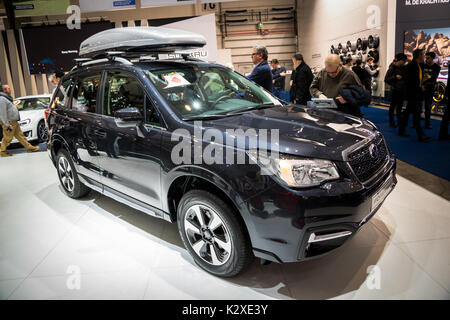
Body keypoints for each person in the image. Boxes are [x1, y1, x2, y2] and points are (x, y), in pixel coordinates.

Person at [398, 49, 430, 142]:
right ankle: (421, 134)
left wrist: (421, 86)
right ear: (419, 55)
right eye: (423, 54)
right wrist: (420, 88)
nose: (424, 56)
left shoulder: (417, 65)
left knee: (408, 113)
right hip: (413, 94)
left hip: (415, 94)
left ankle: (401, 130)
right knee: (416, 115)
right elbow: (410, 81)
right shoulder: (411, 66)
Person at [0, 84, 40, 157]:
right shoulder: (2, 99)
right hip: (9, 122)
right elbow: (2, 113)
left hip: (13, 121)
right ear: (4, 90)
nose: (10, 89)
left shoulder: (7, 98)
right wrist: (7, 124)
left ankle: (29, 147)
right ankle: (2, 151)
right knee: (7, 137)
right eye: (8, 88)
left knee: (20, 136)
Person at [384, 53, 408, 128]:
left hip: (402, 91)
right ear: (400, 60)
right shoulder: (392, 68)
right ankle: (392, 122)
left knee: (400, 108)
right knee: (392, 107)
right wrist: (395, 77)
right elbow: (386, 80)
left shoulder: (404, 68)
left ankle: (399, 122)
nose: (404, 62)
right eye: (403, 61)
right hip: (394, 90)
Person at [422, 52, 441, 129]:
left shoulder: (436, 67)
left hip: (429, 89)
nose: (426, 59)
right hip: (421, 87)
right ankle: (415, 123)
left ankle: (427, 123)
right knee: (417, 106)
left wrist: (424, 84)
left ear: (432, 58)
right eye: (426, 58)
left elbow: (433, 78)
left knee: (428, 107)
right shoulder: (423, 66)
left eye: (428, 58)